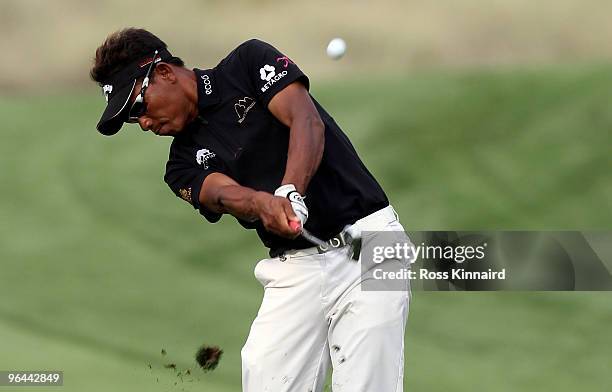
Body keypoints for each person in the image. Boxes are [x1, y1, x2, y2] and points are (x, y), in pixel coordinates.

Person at [90, 28, 411, 392]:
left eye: (138, 107)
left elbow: (306, 121)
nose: (144, 123)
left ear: (164, 72)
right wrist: (263, 203)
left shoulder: (247, 63)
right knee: (265, 379)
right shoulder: (179, 166)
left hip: (368, 244)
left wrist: (290, 191)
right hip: (296, 271)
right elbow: (222, 194)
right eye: (133, 120)